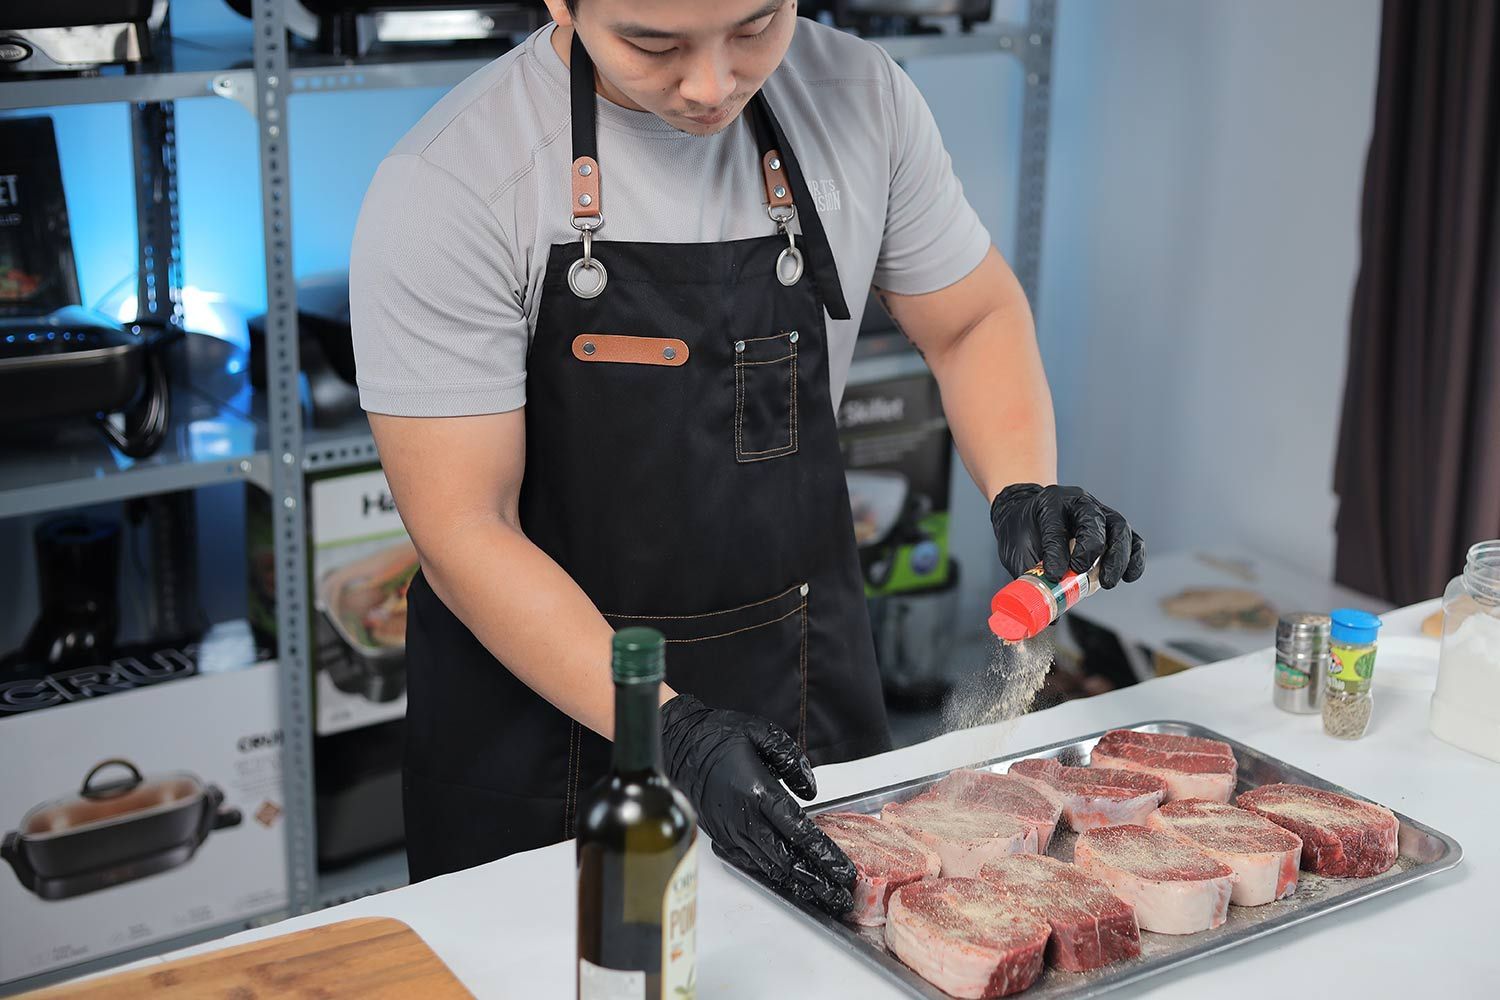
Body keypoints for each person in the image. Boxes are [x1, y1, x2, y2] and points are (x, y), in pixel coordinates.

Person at [350, 0, 1145, 914]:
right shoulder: (452, 180)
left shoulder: (863, 100)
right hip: (545, 731)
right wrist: (671, 731)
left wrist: (1022, 486)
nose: (712, 84)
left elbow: (970, 320)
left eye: (756, 27)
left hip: (798, 689)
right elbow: (462, 530)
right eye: (654, 44)